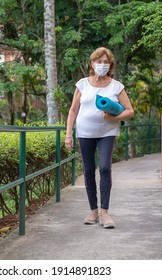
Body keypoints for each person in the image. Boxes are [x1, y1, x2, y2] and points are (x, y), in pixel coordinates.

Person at [65, 47, 134, 228]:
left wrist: (114, 118)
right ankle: (93, 210)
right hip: (84, 132)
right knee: (88, 170)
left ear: (110, 65)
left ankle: (105, 212)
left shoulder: (116, 86)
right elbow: (73, 110)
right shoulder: (82, 84)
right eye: (99, 61)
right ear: (92, 63)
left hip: (107, 132)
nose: (102, 65)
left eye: (106, 62)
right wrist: (68, 135)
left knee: (104, 168)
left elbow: (130, 111)